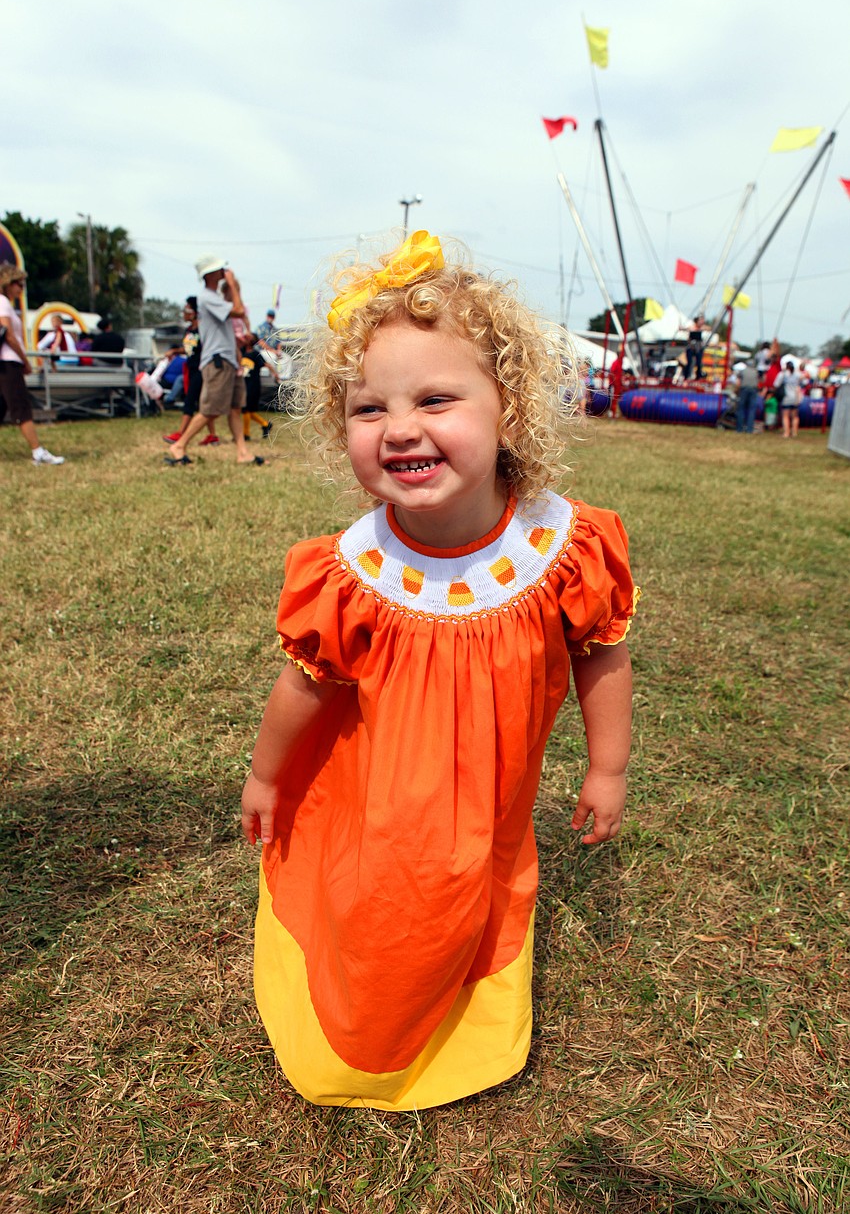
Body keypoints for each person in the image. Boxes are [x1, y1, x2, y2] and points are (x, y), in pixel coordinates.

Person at [240, 230, 638, 1110]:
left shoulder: (559, 548)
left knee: (475, 893)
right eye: (367, 409)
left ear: (509, 407)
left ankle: (464, 1027)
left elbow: (601, 654)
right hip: (379, 794)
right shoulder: (354, 569)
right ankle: (365, 1040)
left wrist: (606, 766)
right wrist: (267, 775)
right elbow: (305, 682)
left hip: (495, 797)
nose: (401, 428)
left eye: (435, 398)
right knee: (393, 908)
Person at [164, 256, 263, 465]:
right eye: (220, 269)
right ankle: (179, 445)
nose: (224, 271)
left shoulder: (213, 298)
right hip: (218, 360)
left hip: (228, 359)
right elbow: (238, 310)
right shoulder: (207, 297)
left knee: (236, 407)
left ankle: (243, 453)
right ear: (210, 274)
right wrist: (234, 287)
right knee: (211, 409)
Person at [0, 263, 65, 465]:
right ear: (8, 283)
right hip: (8, 363)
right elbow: (8, 334)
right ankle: (37, 451)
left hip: (5, 362)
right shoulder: (2, 302)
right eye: (19, 284)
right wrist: (24, 360)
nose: (22, 288)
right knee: (21, 407)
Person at [162, 297, 219, 446]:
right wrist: (174, 351)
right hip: (191, 368)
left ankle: (180, 434)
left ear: (194, 312)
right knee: (202, 403)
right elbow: (189, 349)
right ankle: (213, 436)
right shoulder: (188, 330)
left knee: (189, 400)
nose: (183, 313)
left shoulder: (203, 329)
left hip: (202, 368)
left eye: (186, 310)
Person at [776, 360, 802, 439]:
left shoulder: (783, 374)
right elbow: (803, 382)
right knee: (795, 416)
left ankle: (786, 433)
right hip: (796, 397)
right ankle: (794, 432)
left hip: (786, 397)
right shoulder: (797, 374)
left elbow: (776, 384)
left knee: (785, 416)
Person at [735, 357, 759, 434]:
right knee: (752, 410)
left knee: (741, 408)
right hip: (753, 390)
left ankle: (739, 429)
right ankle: (749, 429)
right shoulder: (756, 372)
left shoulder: (743, 371)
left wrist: (737, 390)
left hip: (744, 389)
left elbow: (738, 382)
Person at [683, 315, 705, 381]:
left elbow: (708, 328)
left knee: (699, 363)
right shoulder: (691, 328)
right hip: (691, 347)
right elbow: (686, 329)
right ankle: (686, 376)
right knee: (689, 362)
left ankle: (698, 376)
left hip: (698, 347)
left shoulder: (701, 328)